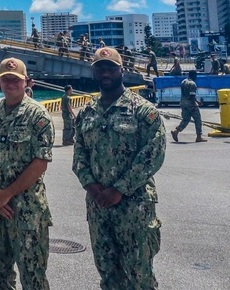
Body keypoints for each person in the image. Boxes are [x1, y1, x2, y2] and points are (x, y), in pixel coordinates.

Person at [73, 46, 165, 290]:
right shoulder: (87, 113)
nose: (105, 73)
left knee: (140, 275)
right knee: (108, 274)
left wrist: (118, 190)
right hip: (99, 207)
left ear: (121, 70)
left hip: (134, 206)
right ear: (93, 72)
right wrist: (93, 189)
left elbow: (152, 155)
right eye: (100, 68)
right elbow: (79, 154)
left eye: (110, 68)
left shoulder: (143, 111)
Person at [0, 57, 54, 289]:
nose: (11, 84)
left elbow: (41, 162)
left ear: (25, 81)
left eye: (16, 79)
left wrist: (6, 194)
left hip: (27, 210)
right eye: (6, 79)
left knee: (33, 276)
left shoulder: (38, 115)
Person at [171, 70, 206, 142]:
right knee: (198, 120)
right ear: (194, 75)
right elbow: (192, 95)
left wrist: (197, 101)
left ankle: (176, 131)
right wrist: (194, 104)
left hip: (183, 103)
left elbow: (187, 93)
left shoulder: (183, 81)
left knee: (186, 119)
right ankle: (199, 136)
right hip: (190, 104)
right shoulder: (192, 84)